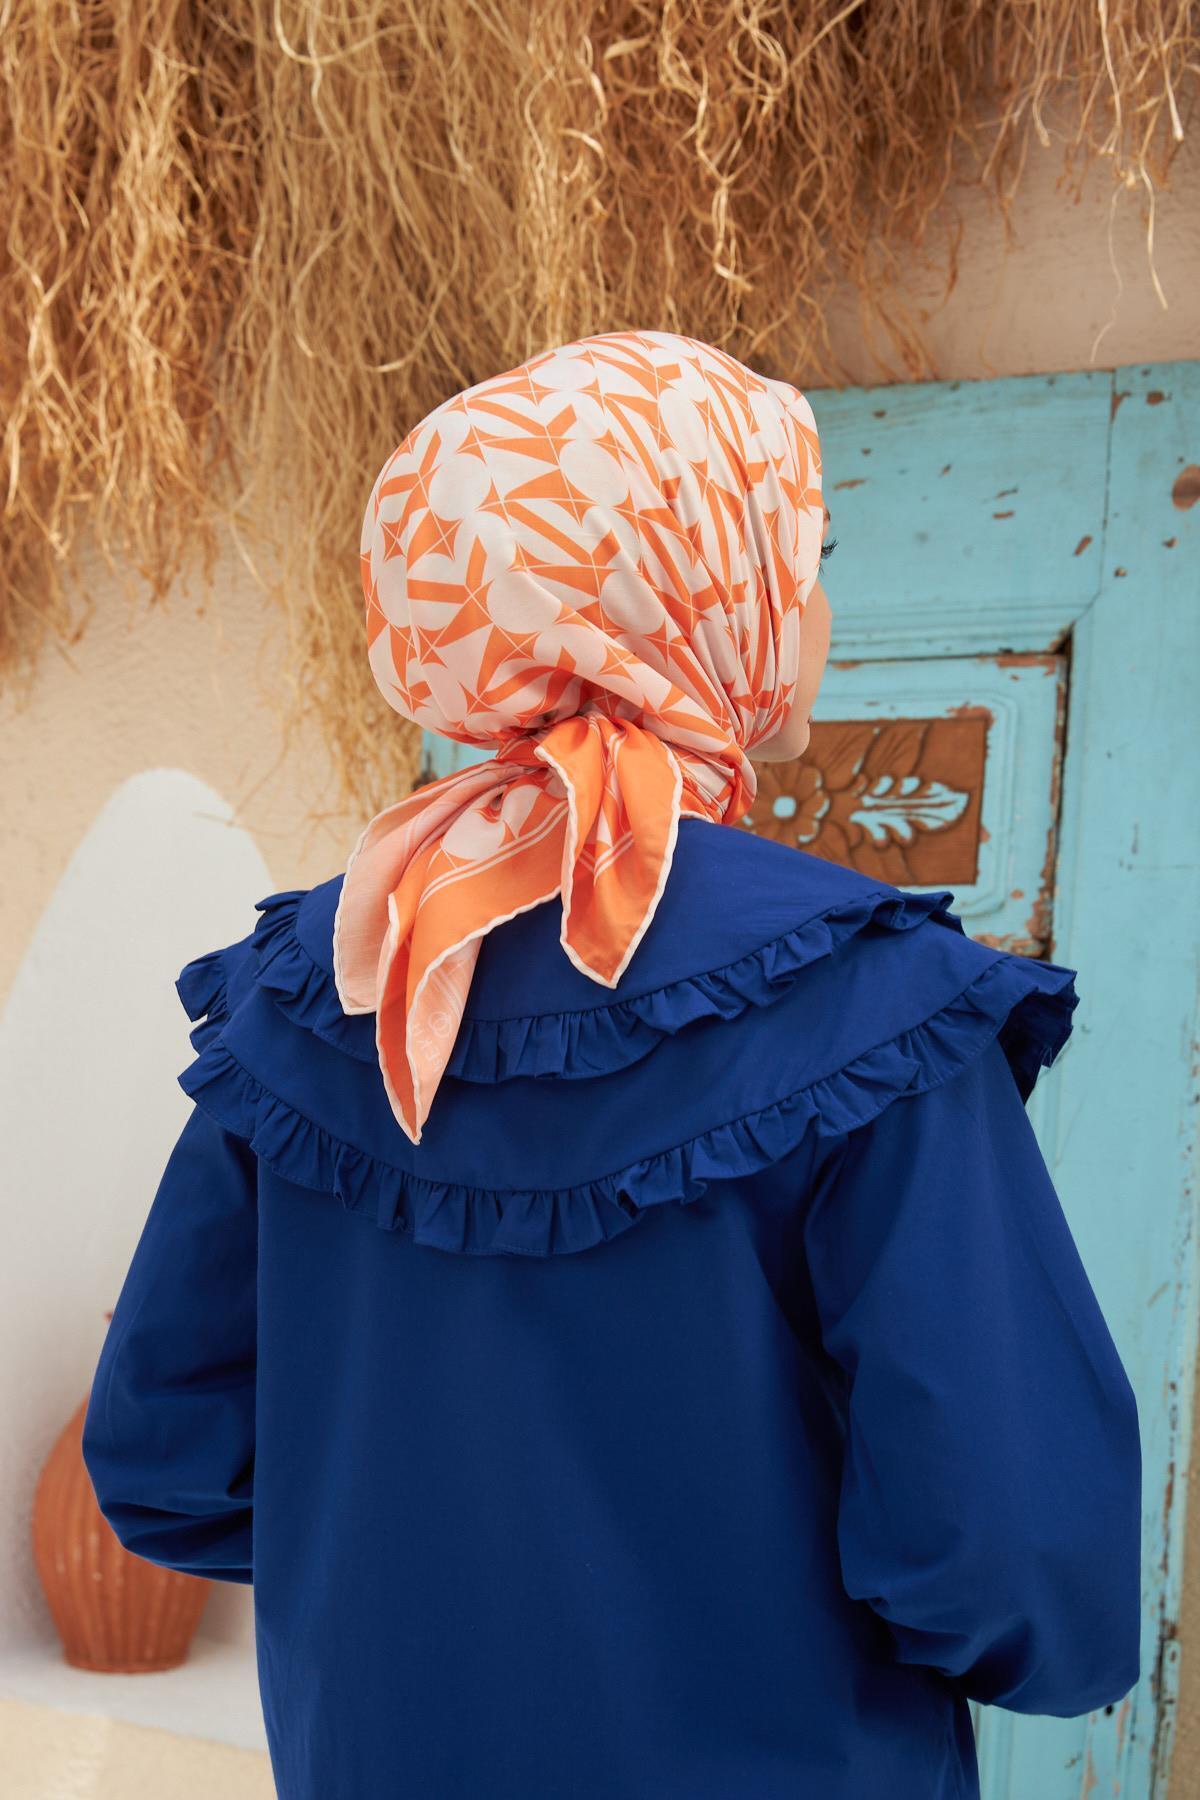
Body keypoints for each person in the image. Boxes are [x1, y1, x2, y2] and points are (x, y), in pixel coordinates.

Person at [82, 330, 1141, 1800]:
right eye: (803, 559)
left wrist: (420, 1580)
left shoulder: (319, 987)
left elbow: (166, 1464)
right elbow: (1022, 1569)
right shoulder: (871, 1003)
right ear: (696, 590)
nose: (818, 609)